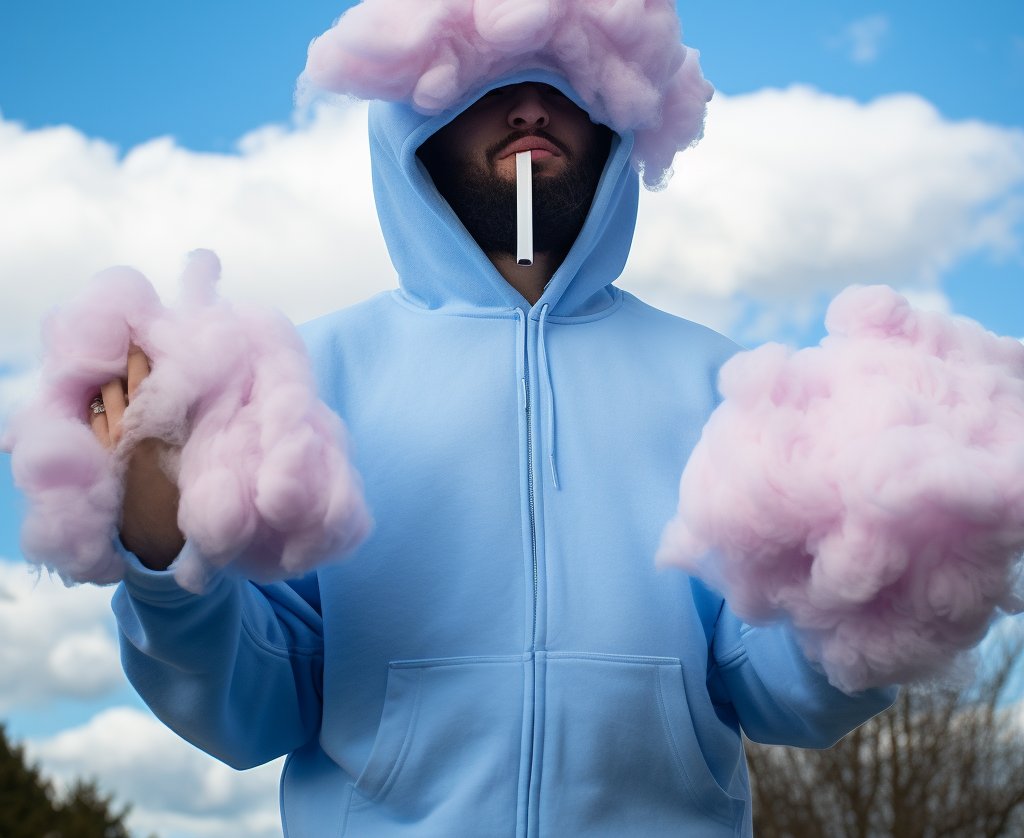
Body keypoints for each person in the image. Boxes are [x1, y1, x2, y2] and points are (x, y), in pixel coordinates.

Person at [99, 70, 896, 838]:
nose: (528, 110)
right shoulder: (304, 376)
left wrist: (876, 579)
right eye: (484, 85)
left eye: (564, 83)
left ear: (614, 113)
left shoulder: (721, 382)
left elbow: (774, 689)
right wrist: (164, 554)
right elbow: (257, 701)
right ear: (419, 123)